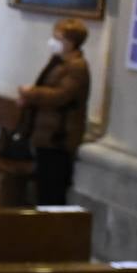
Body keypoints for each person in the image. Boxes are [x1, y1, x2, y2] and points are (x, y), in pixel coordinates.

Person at [19, 18, 91, 205]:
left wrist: (31, 93)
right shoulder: (58, 61)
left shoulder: (77, 66)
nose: (53, 41)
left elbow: (62, 96)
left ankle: (52, 230)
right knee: (43, 187)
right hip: (45, 132)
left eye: (57, 38)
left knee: (53, 190)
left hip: (59, 136)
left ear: (70, 41)